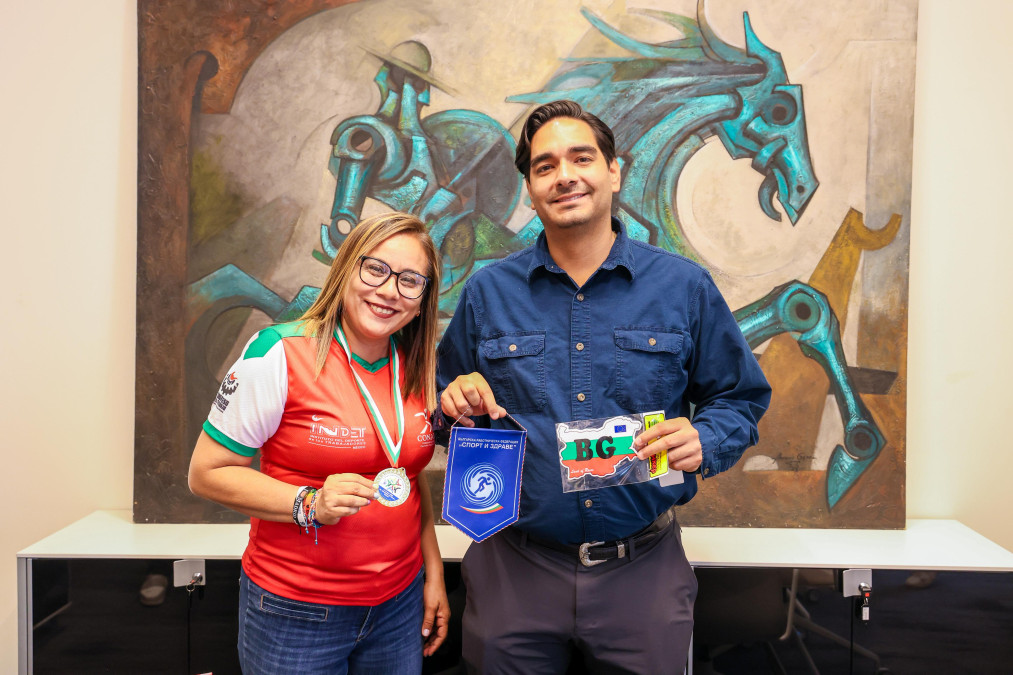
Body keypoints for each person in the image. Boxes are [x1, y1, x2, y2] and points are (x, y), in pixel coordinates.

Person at [435, 100, 772, 673]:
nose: (564, 175)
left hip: (643, 574)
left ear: (614, 172)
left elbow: (738, 399)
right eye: (544, 166)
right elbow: (442, 414)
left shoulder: (683, 286)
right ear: (531, 189)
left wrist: (705, 441)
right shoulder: (487, 292)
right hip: (513, 570)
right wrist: (453, 405)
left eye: (581, 157)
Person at [188, 212, 449, 674]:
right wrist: (309, 502)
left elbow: (404, 474)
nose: (389, 291)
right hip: (296, 611)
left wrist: (433, 572)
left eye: (411, 281)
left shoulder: (416, 364)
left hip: (399, 605)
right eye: (376, 269)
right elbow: (207, 474)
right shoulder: (277, 353)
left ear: (423, 298)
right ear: (347, 268)